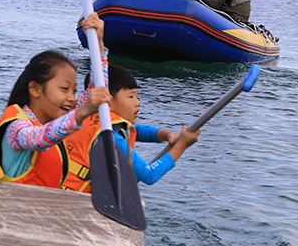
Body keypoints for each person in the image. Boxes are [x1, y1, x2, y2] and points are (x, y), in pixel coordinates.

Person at [0, 16, 111, 186]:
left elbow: (95, 94)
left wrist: (99, 45)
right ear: (35, 89)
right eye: (64, 89)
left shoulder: (55, 121)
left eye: (74, 91)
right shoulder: (16, 128)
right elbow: (37, 139)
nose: (72, 98)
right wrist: (82, 111)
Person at [59, 65, 200, 192]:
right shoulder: (110, 138)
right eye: (131, 96)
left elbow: (135, 130)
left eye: (137, 96)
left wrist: (166, 135)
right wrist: (182, 145)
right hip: (74, 198)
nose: (137, 103)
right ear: (107, 101)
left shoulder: (87, 119)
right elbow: (149, 174)